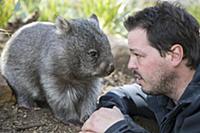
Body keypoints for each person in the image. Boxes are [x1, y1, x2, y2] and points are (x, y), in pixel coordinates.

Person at [80, 1, 200, 133]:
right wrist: (108, 112)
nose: (130, 65)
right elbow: (128, 95)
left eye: (138, 55)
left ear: (174, 55)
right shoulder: (168, 90)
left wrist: (117, 128)